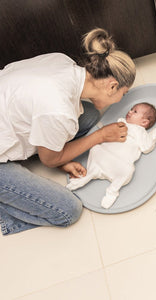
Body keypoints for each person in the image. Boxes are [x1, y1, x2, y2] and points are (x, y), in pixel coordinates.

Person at [0, 28, 136, 235]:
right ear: (112, 86)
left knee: (89, 115)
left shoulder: (62, 61)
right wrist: (99, 136)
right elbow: (49, 161)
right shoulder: (58, 110)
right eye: (123, 94)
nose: (122, 99)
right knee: (68, 211)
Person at [66, 102, 156, 209]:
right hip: (105, 154)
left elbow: (146, 147)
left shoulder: (141, 132)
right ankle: (90, 174)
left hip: (120, 163)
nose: (130, 112)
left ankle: (112, 191)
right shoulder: (121, 122)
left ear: (144, 122)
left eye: (135, 111)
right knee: (95, 148)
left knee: (128, 170)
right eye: (131, 109)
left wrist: (153, 137)